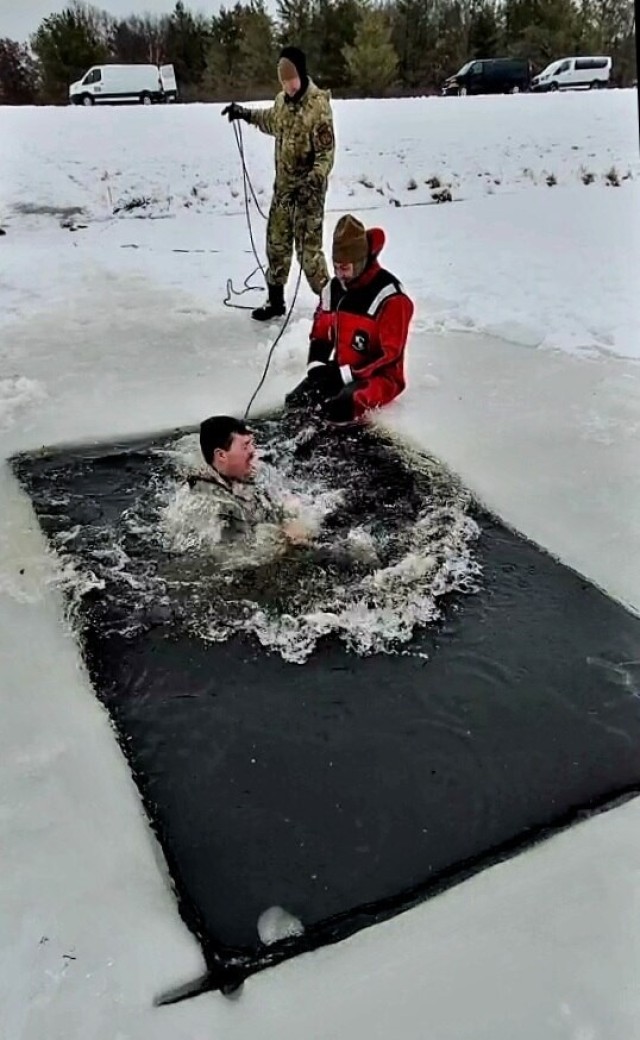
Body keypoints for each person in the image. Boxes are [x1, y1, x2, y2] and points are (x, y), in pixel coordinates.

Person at [222, 46, 335, 322]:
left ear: (302, 74)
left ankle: (333, 306)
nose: (288, 85)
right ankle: (275, 301)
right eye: (283, 81)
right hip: (284, 192)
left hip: (308, 194)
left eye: (291, 79)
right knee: (276, 244)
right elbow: (270, 120)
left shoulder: (318, 106)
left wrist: (313, 181)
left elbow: (326, 155)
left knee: (309, 255)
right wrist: (244, 114)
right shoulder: (282, 102)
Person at [285, 214, 415, 425]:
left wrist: (344, 375)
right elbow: (321, 332)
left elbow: (389, 354)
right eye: (335, 266)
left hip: (380, 377)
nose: (338, 274)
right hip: (342, 368)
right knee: (296, 401)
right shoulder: (332, 289)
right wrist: (317, 367)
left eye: (344, 268)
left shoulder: (392, 298)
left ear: (360, 261)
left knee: (341, 407)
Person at [188, 415, 311, 546]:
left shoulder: (254, 474)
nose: (253, 451)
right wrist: (283, 539)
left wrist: (292, 519)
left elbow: (283, 505)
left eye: (252, 443)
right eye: (245, 446)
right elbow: (238, 554)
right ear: (221, 455)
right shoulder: (210, 502)